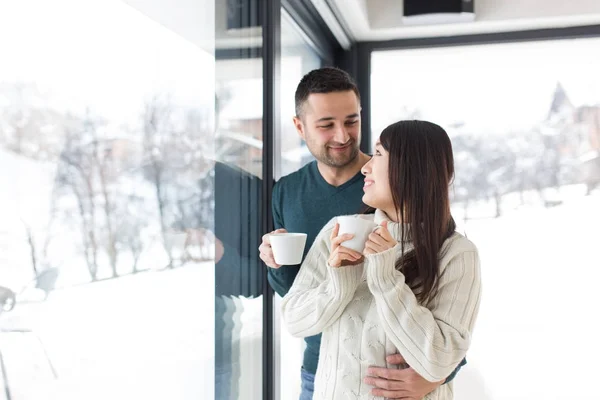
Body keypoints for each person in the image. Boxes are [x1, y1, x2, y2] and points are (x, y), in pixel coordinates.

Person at [259, 67, 465, 400]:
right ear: (300, 126)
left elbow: (450, 300)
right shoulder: (287, 191)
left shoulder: (392, 185)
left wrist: (438, 375)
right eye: (326, 125)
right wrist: (277, 265)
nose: (342, 136)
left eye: (351, 121)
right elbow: (297, 294)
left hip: (398, 377)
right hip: (322, 368)